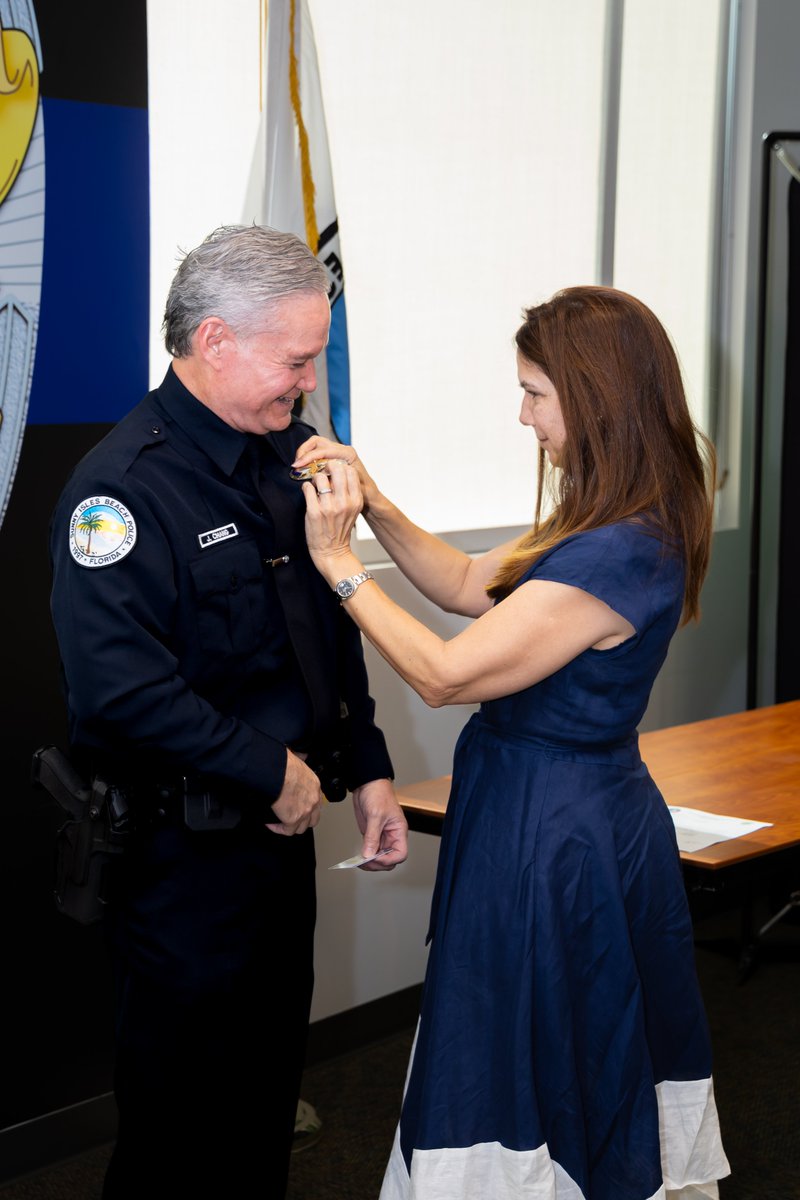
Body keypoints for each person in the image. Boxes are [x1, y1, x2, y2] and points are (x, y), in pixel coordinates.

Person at [295, 285, 731, 1200]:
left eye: (535, 393)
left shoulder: (619, 548)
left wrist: (339, 567)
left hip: (553, 833)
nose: (522, 413)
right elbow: (460, 581)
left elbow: (445, 674)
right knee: (559, 1026)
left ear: (595, 396)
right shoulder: (609, 517)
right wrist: (372, 504)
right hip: (555, 812)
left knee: (533, 1029)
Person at [48, 224, 408, 1200]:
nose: (305, 383)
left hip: (277, 851)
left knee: (259, 1115)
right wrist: (270, 769)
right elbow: (120, 692)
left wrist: (364, 763)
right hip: (181, 868)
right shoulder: (122, 492)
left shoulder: (285, 457)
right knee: (178, 1136)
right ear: (215, 342)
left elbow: (325, 630)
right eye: (294, 361)